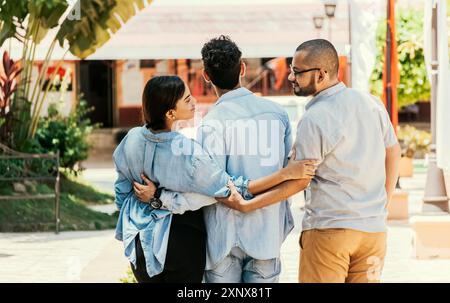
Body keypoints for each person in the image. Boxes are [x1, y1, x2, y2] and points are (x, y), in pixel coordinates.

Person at [135, 36, 311, 283]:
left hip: (223, 239)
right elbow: (286, 174)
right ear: (242, 68)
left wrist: (160, 198)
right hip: (266, 233)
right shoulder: (278, 116)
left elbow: (211, 187)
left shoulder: (211, 124)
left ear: (206, 76)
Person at [286, 39, 401, 283]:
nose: (290, 77)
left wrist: (248, 200)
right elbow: (393, 152)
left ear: (321, 74)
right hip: (373, 232)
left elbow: (300, 178)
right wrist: (383, 203)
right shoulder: (372, 103)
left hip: (330, 229)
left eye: (297, 72)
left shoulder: (314, 117)